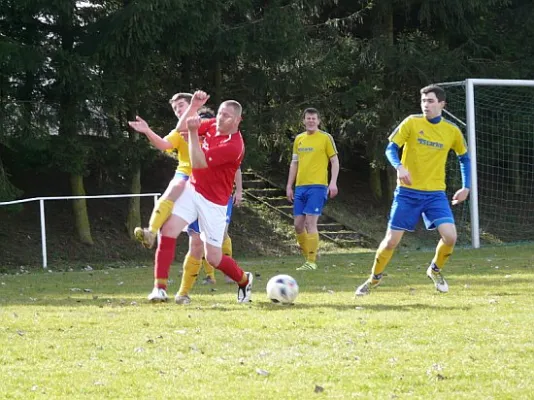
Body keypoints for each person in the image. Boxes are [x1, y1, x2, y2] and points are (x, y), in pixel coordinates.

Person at [355, 84, 471, 296]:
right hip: (407, 194)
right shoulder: (411, 122)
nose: (426, 105)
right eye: (423, 101)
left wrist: (466, 186)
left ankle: (435, 270)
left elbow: (464, 158)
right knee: (391, 241)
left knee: (451, 237)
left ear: (442, 104)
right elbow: (390, 148)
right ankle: (373, 279)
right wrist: (399, 166)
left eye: (430, 101)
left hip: (435, 194)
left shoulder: (452, 131)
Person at [145, 90, 252, 304]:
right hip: (193, 189)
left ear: (238, 120)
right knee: (168, 230)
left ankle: (243, 280)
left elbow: (198, 163)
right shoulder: (212, 124)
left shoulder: (234, 146)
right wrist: (193, 106)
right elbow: (180, 129)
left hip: (214, 203)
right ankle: (160, 289)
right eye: (220, 113)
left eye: (227, 116)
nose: (220, 118)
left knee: (214, 257)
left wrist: (193, 133)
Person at [128, 92, 193, 249]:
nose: (177, 111)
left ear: (194, 105)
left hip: (209, 179)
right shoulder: (178, 132)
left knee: (211, 239)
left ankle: (233, 273)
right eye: (175, 108)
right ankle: (151, 232)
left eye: (181, 106)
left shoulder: (211, 125)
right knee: (173, 189)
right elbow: (164, 145)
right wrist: (147, 131)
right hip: (185, 173)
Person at [286, 108, 340, 271]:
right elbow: (294, 163)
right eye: (308, 118)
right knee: (298, 225)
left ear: (318, 121)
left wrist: (333, 183)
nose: (310, 121)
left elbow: (335, 161)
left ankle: (311, 261)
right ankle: (309, 255)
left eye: (313, 118)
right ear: (303, 121)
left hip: (318, 186)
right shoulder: (299, 139)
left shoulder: (325, 138)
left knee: (310, 222)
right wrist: (289, 185)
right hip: (300, 187)